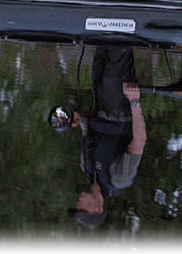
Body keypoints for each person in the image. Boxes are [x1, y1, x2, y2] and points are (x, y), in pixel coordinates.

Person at [50, 46, 146, 228]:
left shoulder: (86, 169)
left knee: (100, 58)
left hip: (100, 107)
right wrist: (134, 102)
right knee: (115, 63)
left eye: (77, 207)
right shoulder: (119, 180)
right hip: (120, 110)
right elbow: (139, 142)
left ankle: (108, 24)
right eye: (83, 208)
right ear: (98, 208)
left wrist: (80, 121)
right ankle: (124, 24)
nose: (78, 204)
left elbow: (89, 133)